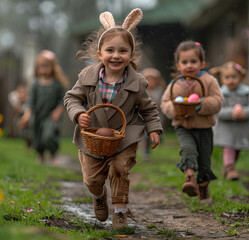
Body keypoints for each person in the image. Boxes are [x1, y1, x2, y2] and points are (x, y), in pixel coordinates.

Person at [64, 8, 162, 229]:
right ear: (100, 54)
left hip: (124, 136)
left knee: (120, 169)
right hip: (92, 137)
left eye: (123, 51)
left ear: (131, 54)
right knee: (93, 180)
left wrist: (154, 128)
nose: (116, 55)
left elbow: (148, 108)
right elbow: (71, 98)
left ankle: (120, 211)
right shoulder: (87, 77)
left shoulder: (138, 83)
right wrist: (79, 114)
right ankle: (99, 196)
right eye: (110, 50)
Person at [161, 40, 223, 204]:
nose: (189, 65)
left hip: (204, 128)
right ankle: (190, 178)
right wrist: (176, 109)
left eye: (193, 61)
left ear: (202, 63)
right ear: (178, 64)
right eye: (185, 62)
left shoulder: (209, 80)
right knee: (188, 150)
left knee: (204, 160)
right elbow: (165, 102)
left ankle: (203, 186)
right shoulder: (175, 84)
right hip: (184, 127)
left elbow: (218, 101)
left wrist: (200, 105)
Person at [18, 50, 70, 164]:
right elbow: (30, 101)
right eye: (41, 66)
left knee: (49, 135)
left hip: (51, 116)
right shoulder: (35, 84)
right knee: (38, 136)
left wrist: (58, 111)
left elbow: (63, 100)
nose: (44, 69)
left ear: (53, 67)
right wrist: (27, 114)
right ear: (37, 68)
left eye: (47, 66)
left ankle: (53, 155)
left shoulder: (57, 84)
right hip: (38, 116)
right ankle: (41, 155)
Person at [213, 61, 249, 180]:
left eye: (234, 77)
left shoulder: (246, 93)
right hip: (226, 128)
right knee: (228, 147)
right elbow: (217, 110)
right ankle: (230, 168)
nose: (231, 80)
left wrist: (244, 112)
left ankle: (228, 168)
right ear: (222, 79)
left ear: (240, 77)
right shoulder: (220, 94)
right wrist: (231, 113)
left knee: (237, 149)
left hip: (240, 129)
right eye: (227, 77)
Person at [140, 68, 165, 160]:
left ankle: (157, 139)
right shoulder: (142, 90)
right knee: (146, 134)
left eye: (152, 80)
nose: (150, 82)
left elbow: (158, 103)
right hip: (143, 116)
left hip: (156, 115)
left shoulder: (158, 90)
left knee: (155, 130)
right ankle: (145, 149)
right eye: (147, 80)